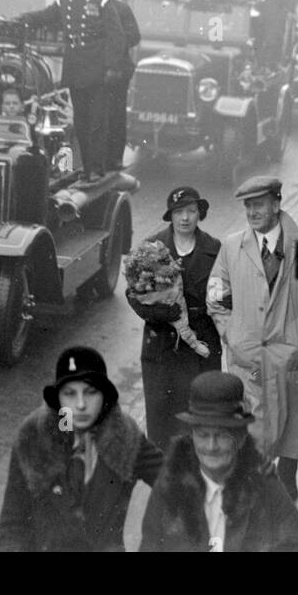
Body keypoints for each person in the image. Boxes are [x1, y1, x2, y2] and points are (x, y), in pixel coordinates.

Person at [206, 174, 298, 502]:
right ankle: (253, 487)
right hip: (247, 354)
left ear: (277, 204)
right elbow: (215, 296)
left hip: (290, 351)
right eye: (248, 206)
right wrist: (231, 334)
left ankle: (287, 475)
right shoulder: (231, 246)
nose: (252, 212)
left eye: (259, 205)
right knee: (249, 424)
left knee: (290, 418)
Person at [0, 346, 163, 552]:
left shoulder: (126, 437)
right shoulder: (33, 437)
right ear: (58, 400)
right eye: (70, 394)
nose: (81, 405)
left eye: (91, 392)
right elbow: (13, 524)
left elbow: (177, 480)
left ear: (104, 397)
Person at [139, 371, 298, 553]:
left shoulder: (263, 485)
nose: (211, 446)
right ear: (192, 437)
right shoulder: (171, 484)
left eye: (222, 436)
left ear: (240, 437)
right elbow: (149, 546)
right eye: (203, 435)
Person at [18, 0, 127, 184]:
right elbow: (43, 16)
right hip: (76, 66)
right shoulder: (64, 2)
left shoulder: (103, 2)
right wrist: (19, 19)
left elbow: (116, 37)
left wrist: (110, 67)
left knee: (97, 121)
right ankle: (87, 166)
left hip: (97, 68)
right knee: (81, 121)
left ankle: (96, 167)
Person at [126, 186, 222, 450]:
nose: (185, 218)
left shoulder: (214, 249)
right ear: (171, 216)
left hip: (202, 348)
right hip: (162, 349)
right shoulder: (152, 248)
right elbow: (133, 293)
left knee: (201, 422)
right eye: (179, 212)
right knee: (162, 424)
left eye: (191, 211)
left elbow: (226, 295)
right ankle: (164, 482)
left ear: (199, 214)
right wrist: (154, 312)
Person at [93, 0, 140, 171]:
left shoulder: (122, 9)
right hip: (93, 71)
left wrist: (114, 41)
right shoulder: (88, 7)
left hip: (117, 73)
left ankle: (114, 159)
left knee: (115, 117)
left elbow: (134, 36)